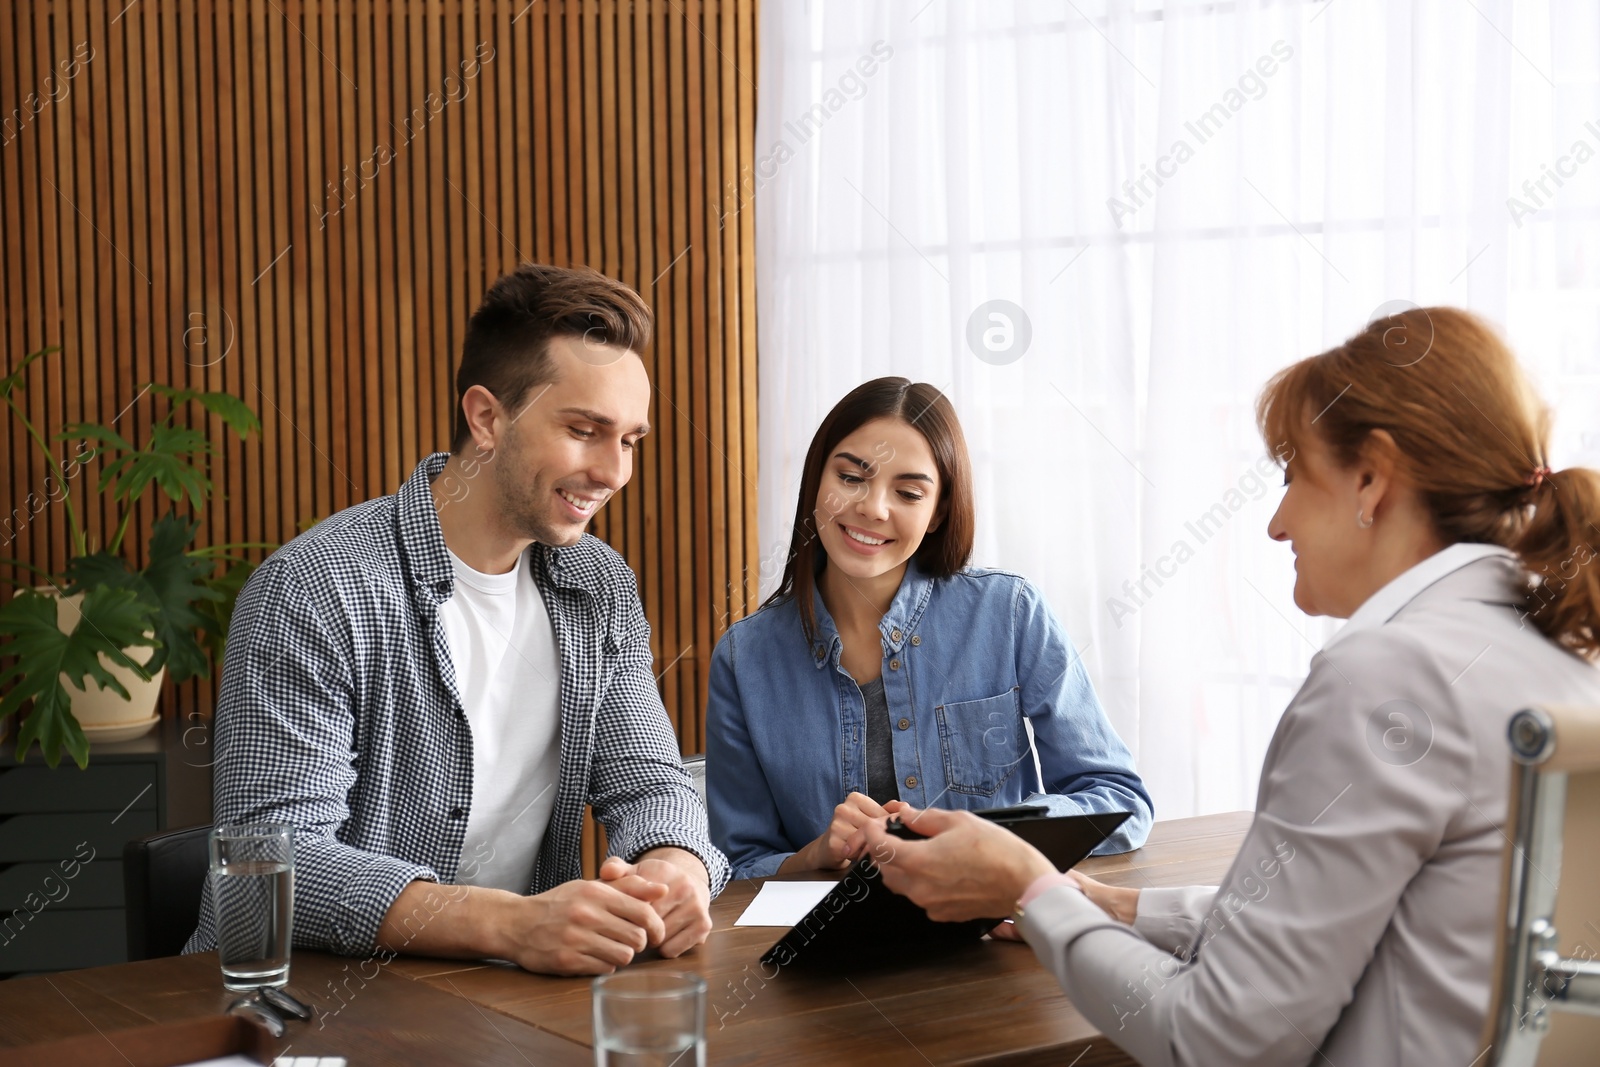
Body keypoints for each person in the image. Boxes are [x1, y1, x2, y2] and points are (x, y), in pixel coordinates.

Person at [854, 308, 1600, 1066]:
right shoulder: (1562, 652)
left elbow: (1215, 1041)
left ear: (1371, 477)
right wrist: (1114, 904)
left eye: (1292, 475)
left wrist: (1030, 887)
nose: (1277, 523)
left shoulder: (1387, 676)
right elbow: (1336, 921)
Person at [185, 264, 728, 976]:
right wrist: (512, 924)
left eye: (629, 440)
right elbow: (266, 863)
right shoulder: (316, 587)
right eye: (585, 430)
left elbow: (653, 783)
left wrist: (676, 868)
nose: (613, 471)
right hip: (299, 1005)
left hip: (504, 1005)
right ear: (486, 417)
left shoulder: (598, 584)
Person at [706, 377, 1152, 882]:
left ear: (937, 511)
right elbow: (735, 865)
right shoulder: (745, 658)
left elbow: (1120, 801)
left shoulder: (1008, 612)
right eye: (851, 477)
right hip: (827, 950)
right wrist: (815, 856)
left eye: (909, 492)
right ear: (817, 482)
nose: (874, 507)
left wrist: (988, 837)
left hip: (992, 936)